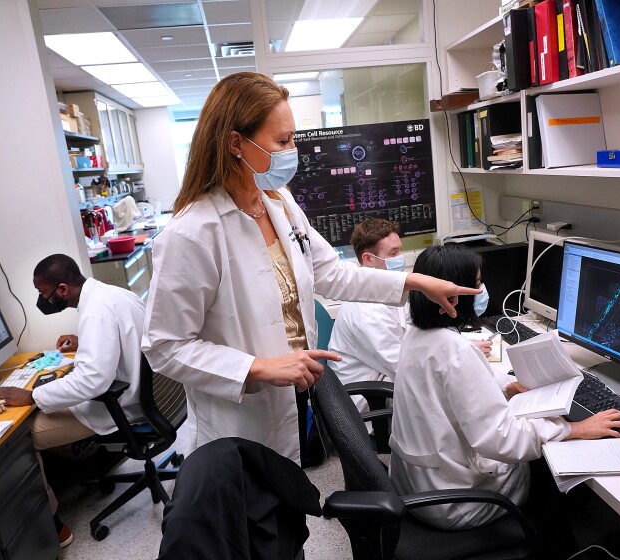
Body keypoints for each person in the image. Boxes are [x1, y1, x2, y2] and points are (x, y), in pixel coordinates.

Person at [141, 72, 478, 465]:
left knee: (289, 505)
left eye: (292, 139)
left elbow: (333, 274)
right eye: (282, 141)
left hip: (297, 393)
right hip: (239, 414)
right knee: (255, 513)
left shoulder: (279, 203)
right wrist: (258, 368)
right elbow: (164, 346)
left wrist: (413, 281)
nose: (292, 151)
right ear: (236, 143)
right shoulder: (193, 233)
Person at [388, 245, 620, 552]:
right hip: (454, 502)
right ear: (450, 295)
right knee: (545, 465)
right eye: (476, 283)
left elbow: (452, 387)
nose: (481, 290)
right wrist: (575, 430)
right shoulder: (455, 351)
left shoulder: (418, 333)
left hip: (418, 484)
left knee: (539, 443)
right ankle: (559, 547)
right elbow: (500, 440)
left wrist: (508, 387)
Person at [0, 254, 145, 548]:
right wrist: (84, 342)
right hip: (137, 394)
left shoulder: (95, 312)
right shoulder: (110, 294)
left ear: (62, 289)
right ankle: (90, 465)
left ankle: (52, 524)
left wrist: (32, 396)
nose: (43, 299)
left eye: (43, 293)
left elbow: (92, 381)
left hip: (117, 405)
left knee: (24, 436)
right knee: (52, 401)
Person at [329, 219, 493, 417]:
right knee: (460, 395)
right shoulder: (364, 311)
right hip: (370, 403)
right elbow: (403, 365)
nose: (400, 258)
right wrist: (461, 353)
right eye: (393, 253)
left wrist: (462, 345)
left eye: (400, 250)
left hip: (386, 378)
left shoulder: (384, 292)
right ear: (368, 259)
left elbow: (413, 330)